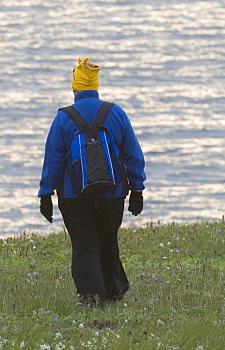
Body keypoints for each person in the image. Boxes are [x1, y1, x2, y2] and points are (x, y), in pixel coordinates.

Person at [38, 58, 145, 305]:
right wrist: (137, 189)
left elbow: (53, 158)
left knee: (84, 245)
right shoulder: (116, 113)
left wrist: (46, 194)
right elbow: (133, 154)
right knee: (108, 240)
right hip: (112, 193)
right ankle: (114, 291)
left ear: (74, 88)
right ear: (96, 87)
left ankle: (91, 296)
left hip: (73, 196)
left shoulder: (64, 117)